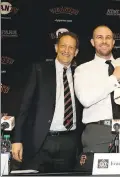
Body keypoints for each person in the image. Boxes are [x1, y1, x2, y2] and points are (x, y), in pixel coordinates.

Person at [12, 31, 84, 172]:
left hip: (69, 142)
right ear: (56, 47)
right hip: (40, 141)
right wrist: (17, 140)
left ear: (76, 52)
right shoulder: (40, 70)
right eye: (63, 46)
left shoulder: (80, 74)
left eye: (71, 48)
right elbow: (24, 107)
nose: (66, 50)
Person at [74, 25, 120, 169]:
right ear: (92, 42)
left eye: (108, 38)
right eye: (99, 37)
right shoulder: (83, 69)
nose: (104, 41)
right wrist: (114, 78)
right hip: (98, 131)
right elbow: (86, 99)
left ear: (113, 42)